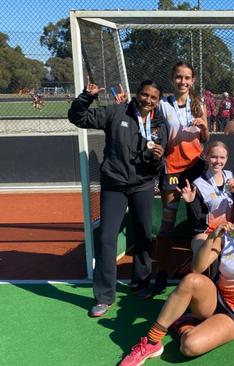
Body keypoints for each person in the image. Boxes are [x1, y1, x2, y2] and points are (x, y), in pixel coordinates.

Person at [118, 197, 234, 366]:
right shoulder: (227, 235)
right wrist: (212, 236)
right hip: (214, 299)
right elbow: (197, 268)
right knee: (191, 280)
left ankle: (183, 324)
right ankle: (152, 342)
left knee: (189, 346)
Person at [68, 78, 167, 317]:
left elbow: (157, 165)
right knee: (106, 238)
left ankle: (140, 284)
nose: (148, 100)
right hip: (114, 185)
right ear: (138, 94)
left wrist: (157, 157)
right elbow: (78, 118)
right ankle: (103, 296)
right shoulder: (116, 112)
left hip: (142, 186)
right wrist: (86, 97)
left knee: (144, 235)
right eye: (145, 95)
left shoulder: (159, 124)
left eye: (153, 98)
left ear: (158, 101)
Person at [155, 61, 210, 296]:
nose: (183, 81)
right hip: (172, 170)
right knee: (167, 224)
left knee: (199, 220)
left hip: (195, 168)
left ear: (193, 80)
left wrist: (203, 125)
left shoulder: (199, 104)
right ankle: (160, 274)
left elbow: (205, 137)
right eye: (179, 77)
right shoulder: (162, 105)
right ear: (172, 78)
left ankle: (200, 273)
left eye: (187, 78)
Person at [177, 141, 234, 256]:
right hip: (207, 232)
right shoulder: (197, 184)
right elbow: (195, 221)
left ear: (226, 158)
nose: (218, 161)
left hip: (229, 230)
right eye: (214, 157)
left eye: (222, 157)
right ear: (207, 156)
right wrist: (190, 203)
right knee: (205, 251)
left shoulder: (231, 176)